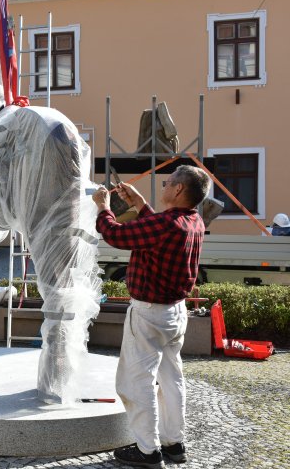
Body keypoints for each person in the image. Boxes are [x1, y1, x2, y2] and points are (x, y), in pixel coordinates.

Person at [93, 165, 211, 468]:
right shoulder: (193, 221)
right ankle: (174, 444)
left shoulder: (167, 224)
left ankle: (148, 450)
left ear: (179, 190)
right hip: (175, 312)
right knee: (171, 380)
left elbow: (115, 234)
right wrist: (139, 204)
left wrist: (103, 207)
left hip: (148, 314)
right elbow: (156, 229)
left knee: (136, 382)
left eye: (169, 182)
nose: (166, 185)